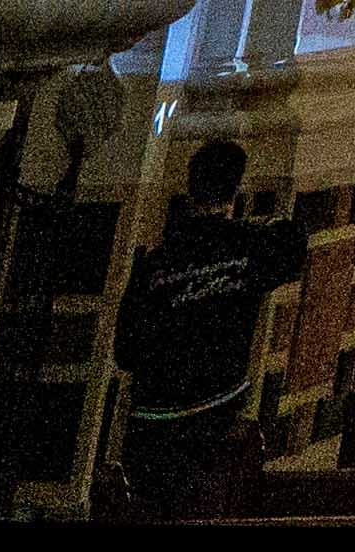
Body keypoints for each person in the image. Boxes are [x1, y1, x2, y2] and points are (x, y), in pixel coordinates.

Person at [106, 135, 277, 517]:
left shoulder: (157, 261)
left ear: (189, 187)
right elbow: (290, 244)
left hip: (155, 415)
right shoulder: (249, 247)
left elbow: (126, 349)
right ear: (236, 190)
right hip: (217, 414)